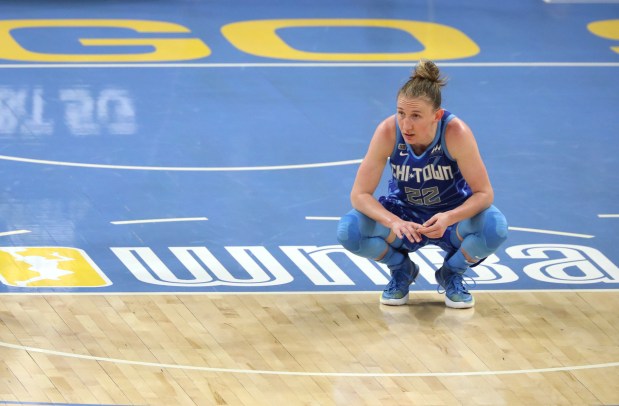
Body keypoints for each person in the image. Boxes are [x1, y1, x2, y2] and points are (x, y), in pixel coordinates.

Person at [336, 59, 508, 309]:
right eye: (401, 113)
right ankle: (401, 270)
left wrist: (449, 218)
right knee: (349, 232)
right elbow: (360, 195)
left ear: (436, 115)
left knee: (496, 227)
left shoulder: (456, 133)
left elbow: (484, 194)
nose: (406, 124)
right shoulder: (387, 132)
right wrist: (394, 221)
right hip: (405, 215)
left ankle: (452, 273)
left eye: (416, 116)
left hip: (451, 217)